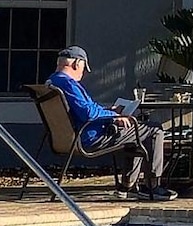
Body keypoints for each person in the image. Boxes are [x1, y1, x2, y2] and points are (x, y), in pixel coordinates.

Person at [43, 47, 148, 175]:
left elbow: (85, 108)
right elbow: (88, 114)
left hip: (65, 138)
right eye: (84, 68)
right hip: (90, 137)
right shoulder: (68, 84)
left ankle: (127, 186)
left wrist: (107, 111)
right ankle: (153, 185)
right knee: (152, 129)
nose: (83, 73)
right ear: (76, 64)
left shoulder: (52, 82)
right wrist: (114, 115)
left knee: (132, 132)